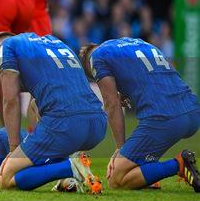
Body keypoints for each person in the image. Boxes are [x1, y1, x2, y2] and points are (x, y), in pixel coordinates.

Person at [0, 32, 107, 193]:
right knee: (36, 105)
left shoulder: (7, 47)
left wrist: (14, 150)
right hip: (98, 124)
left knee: (6, 179)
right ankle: (66, 177)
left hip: (66, 124)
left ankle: (69, 168)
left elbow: (11, 101)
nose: (1, 72)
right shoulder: (55, 42)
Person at [79, 38, 200, 191]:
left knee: (116, 179)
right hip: (192, 111)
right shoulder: (140, 43)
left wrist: (120, 148)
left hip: (165, 118)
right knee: (136, 161)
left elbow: (111, 103)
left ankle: (178, 165)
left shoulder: (96, 57)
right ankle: (148, 173)